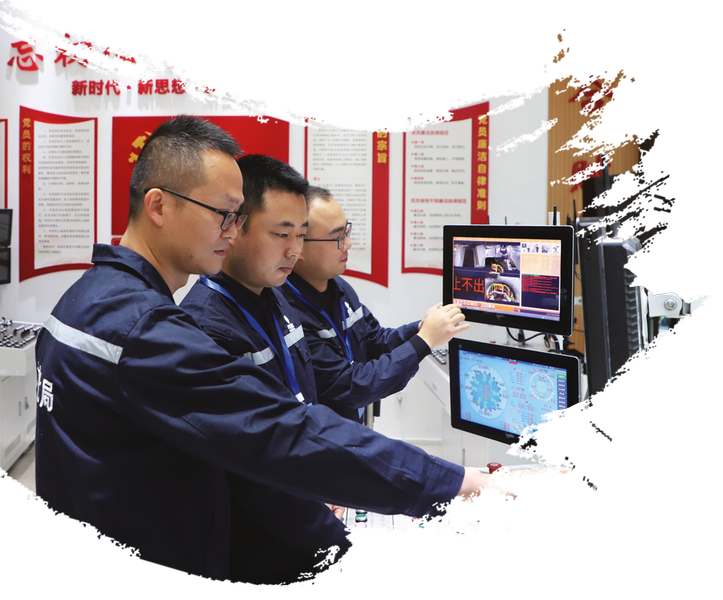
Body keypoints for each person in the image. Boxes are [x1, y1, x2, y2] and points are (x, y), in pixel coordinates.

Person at [33, 115, 488, 583]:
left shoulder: (85, 297)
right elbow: (280, 430)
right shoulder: (147, 329)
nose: (232, 231)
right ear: (159, 206)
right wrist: (448, 482)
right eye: (224, 213)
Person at [179, 154, 350, 583]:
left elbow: (302, 404)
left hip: (302, 513)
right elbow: (250, 471)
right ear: (235, 228)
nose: (295, 250)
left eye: (302, 235)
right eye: (281, 234)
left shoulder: (275, 297)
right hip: (256, 545)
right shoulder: (207, 327)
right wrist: (333, 538)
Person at [281, 185, 461, 422]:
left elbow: (374, 341)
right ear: (299, 246)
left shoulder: (339, 288)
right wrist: (424, 341)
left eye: (347, 231)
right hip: (328, 435)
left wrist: (421, 328)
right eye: (338, 237)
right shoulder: (287, 315)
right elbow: (351, 385)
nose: (348, 244)